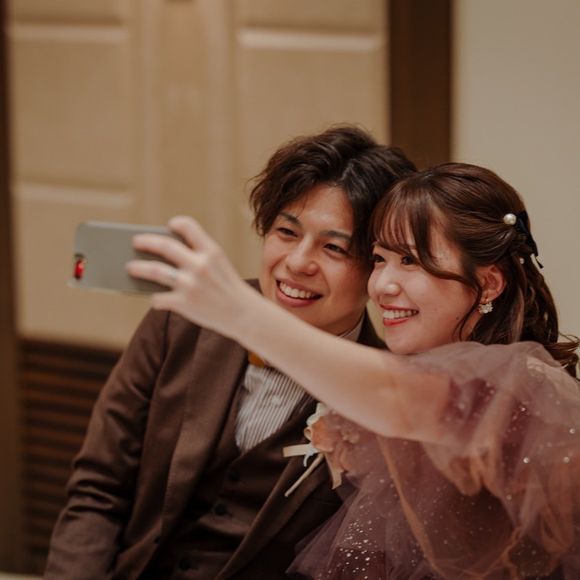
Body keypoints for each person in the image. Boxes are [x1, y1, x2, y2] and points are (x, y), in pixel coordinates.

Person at [126, 162, 580, 578]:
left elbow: (398, 397)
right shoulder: (410, 370)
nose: (382, 285)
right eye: (380, 259)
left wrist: (239, 310)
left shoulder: (520, 386)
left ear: (489, 283)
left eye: (411, 261)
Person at [45, 125, 416, 579]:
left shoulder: (387, 393)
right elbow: (99, 489)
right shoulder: (183, 319)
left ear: (376, 266)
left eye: (334, 247)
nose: (298, 262)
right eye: (286, 231)